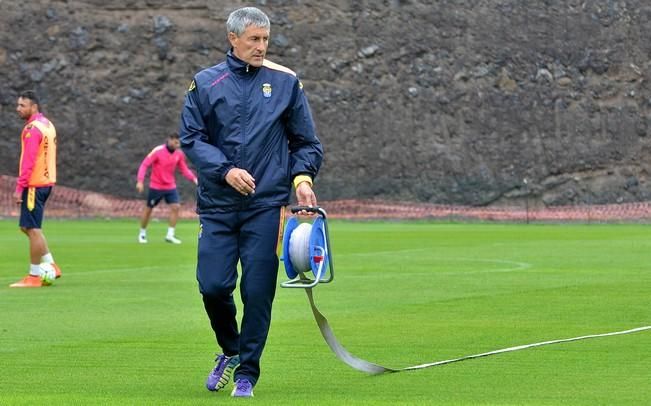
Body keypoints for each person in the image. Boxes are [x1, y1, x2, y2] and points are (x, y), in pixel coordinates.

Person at [179, 6, 323, 398]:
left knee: (258, 291)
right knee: (212, 286)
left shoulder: (286, 83)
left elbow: (307, 143)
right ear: (233, 39)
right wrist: (225, 170)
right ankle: (230, 349)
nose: (261, 47)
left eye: (265, 40)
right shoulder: (206, 83)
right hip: (218, 206)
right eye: (254, 40)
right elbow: (191, 138)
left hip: (265, 207)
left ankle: (247, 372)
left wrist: (302, 178)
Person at [10, 90, 62, 288]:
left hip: (34, 184)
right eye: (18, 105)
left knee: (32, 229)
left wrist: (19, 187)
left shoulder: (32, 129)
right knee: (27, 227)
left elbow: (28, 162)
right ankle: (51, 265)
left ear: (34, 107)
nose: (18, 109)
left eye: (22, 105)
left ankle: (33, 276)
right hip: (46, 182)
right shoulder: (47, 124)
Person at [136, 133, 198, 244]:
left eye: (179, 143)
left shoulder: (179, 155)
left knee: (176, 207)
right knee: (149, 209)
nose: (177, 145)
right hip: (156, 186)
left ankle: (170, 235)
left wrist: (194, 179)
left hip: (170, 186)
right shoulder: (158, 151)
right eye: (175, 142)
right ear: (169, 140)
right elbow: (144, 164)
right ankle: (142, 233)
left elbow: (184, 169)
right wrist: (140, 181)